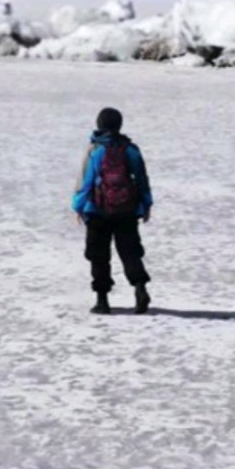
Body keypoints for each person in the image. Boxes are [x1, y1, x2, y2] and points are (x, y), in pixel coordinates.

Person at [72, 107, 153, 315]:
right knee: (130, 251)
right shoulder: (131, 149)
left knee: (98, 254)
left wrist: (78, 206)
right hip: (127, 210)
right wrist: (146, 204)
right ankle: (140, 287)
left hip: (97, 210)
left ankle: (102, 300)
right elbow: (142, 179)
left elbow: (85, 180)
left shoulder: (95, 149)